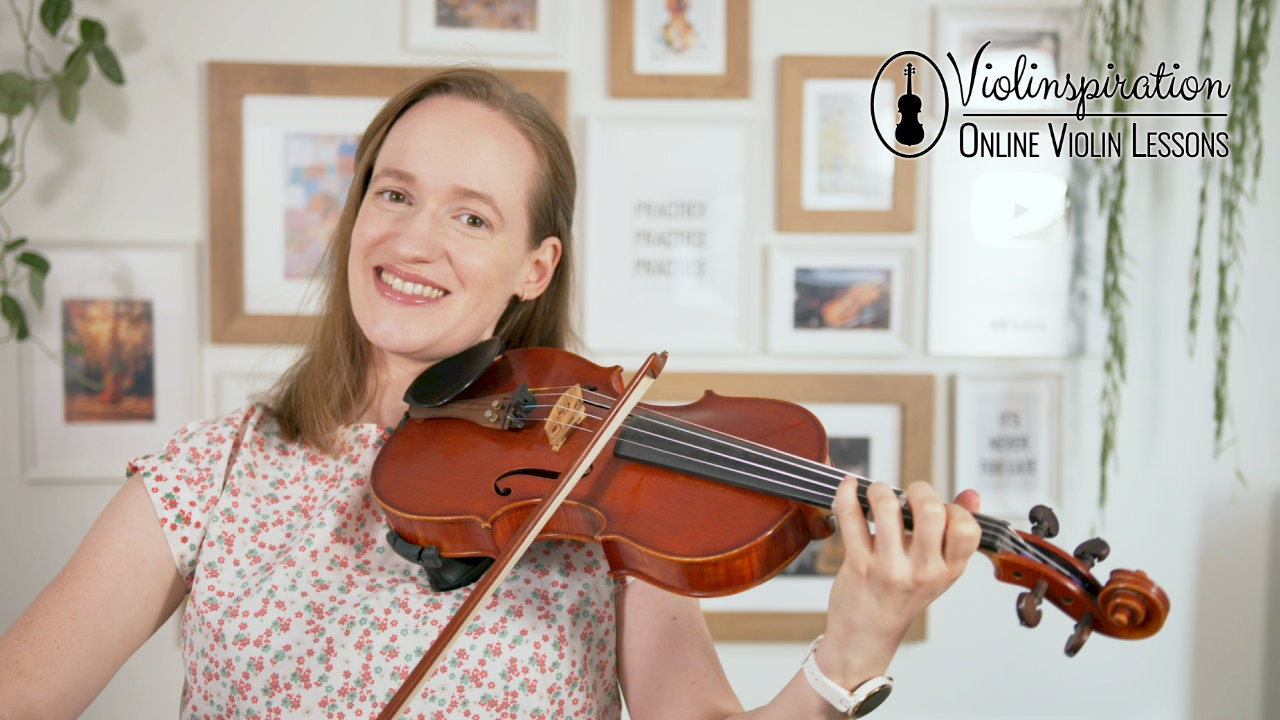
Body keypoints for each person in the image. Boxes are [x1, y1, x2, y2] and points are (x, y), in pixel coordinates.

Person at [0, 66, 982, 719]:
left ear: (533, 267)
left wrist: (851, 647)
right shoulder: (213, 471)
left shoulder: (604, 490)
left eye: (470, 217)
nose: (413, 241)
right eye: (394, 194)